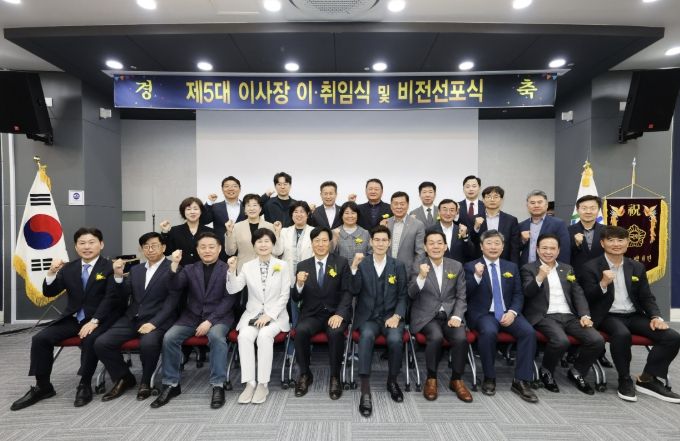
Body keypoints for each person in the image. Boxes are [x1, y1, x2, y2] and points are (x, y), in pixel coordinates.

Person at [12, 227, 118, 411]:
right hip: (73, 318)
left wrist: (94, 321)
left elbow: (111, 298)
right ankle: (43, 386)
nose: (86, 247)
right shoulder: (69, 268)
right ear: (76, 247)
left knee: (89, 338)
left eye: (91, 242)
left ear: (101, 244)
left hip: (101, 318)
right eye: (82, 243)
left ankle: (84, 384)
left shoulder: (110, 267)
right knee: (40, 339)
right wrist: (51, 273)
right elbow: (49, 292)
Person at [579, 225, 680, 403]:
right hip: (607, 315)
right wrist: (603, 283)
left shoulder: (636, 266)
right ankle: (624, 379)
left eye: (620, 240)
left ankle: (648, 378)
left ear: (627, 243)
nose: (616, 244)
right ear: (602, 243)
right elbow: (587, 298)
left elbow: (646, 297)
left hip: (633, 315)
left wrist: (656, 317)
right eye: (611, 240)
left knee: (671, 337)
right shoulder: (591, 267)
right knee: (622, 334)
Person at [150, 232, 236, 409]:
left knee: (217, 338)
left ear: (219, 249)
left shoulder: (227, 269)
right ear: (197, 250)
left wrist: (210, 321)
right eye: (203, 247)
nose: (207, 250)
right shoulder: (189, 269)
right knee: (169, 337)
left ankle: (218, 385)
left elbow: (229, 299)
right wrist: (174, 264)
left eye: (211, 247)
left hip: (219, 317)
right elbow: (173, 286)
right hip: (191, 316)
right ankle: (171, 384)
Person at [95, 232, 179, 402]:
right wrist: (118, 276)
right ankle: (124, 377)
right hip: (132, 318)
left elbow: (172, 302)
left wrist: (154, 323)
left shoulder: (173, 268)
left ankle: (146, 381)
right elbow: (123, 295)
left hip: (158, 319)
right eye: (146, 246)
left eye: (154, 245)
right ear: (141, 250)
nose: (150, 249)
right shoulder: (136, 269)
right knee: (101, 343)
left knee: (148, 344)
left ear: (163, 247)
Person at [520, 234, 604, 395]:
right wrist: (540, 277)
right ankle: (546, 371)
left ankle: (577, 372)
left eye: (552, 248)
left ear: (558, 251)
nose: (548, 252)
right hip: (545, 316)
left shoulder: (567, 268)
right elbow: (527, 292)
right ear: (537, 249)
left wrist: (585, 315)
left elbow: (578, 293)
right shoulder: (528, 268)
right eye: (544, 248)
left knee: (597, 340)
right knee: (561, 341)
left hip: (570, 316)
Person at [464, 230, 538, 403]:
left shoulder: (511, 267)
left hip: (508, 312)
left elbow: (518, 294)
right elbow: (464, 294)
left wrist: (512, 312)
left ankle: (521, 380)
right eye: (489, 243)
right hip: (484, 314)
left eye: (497, 243)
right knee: (489, 332)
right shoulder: (470, 266)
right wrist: (477, 276)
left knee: (528, 332)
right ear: (481, 246)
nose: (493, 247)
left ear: (503, 247)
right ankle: (489, 377)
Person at [227, 229, 291, 405]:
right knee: (244, 336)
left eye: (267, 241)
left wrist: (269, 315)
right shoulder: (247, 266)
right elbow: (233, 289)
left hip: (276, 316)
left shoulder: (282, 265)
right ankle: (250, 383)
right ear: (254, 245)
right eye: (259, 242)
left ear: (273, 244)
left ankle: (263, 384)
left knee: (264, 336)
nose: (263, 245)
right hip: (252, 314)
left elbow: (285, 295)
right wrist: (231, 271)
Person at [350, 225, 408, 417]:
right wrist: (354, 268)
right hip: (369, 317)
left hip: (391, 316)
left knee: (395, 340)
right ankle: (365, 389)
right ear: (371, 242)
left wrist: (397, 316)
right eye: (377, 240)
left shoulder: (398, 265)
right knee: (366, 336)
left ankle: (392, 381)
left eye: (384, 240)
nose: (380, 243)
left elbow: (403, 295)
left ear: (389, 243)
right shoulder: (363, 264)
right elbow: (354, 290)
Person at [408, 231, 472, 402]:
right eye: (431, 243)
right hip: (426, 316)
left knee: (461, 338)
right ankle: (431, 378)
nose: (435, 246)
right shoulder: (418, 265)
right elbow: (411, 294)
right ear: (425, 247)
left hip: (451, 315)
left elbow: (461, 295)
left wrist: (457, 316)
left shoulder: (456, 266)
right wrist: (421, 277)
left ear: (445, 246)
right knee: (435, 337)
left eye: (439, 243)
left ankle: (456, 379)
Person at [291, 226, 352, 400]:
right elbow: (296, 297)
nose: (320, 244)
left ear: (330, 243)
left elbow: (347, 292)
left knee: (336, 332)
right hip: (312, 314)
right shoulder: (303, 265)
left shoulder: (341, 262)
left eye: (324, 240)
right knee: (300, 331)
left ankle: (335, 376)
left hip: (334, 313)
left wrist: (340, 314)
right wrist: (299, 284)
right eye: (316, 241)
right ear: (311, 243)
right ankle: (305, 374)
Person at [277, 201, 314, 327]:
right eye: (295, 212)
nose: (299, 214)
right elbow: (277, 252)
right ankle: (292, 334)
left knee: (306, 310)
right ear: (291, 215)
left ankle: (303, 333)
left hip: (308, 277)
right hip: (287, 277)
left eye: (302, 212)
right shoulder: (284, 231)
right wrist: (277, 233)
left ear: (307, 214)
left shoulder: (314, 231)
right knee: (289, 310)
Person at [225, 193, 281, 273]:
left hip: (266, 269)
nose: (252, 208)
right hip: (244, 269)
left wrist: (278, 233)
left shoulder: (270, 226)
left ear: (260, 208)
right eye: (248, 205)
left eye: (255, 205)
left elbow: (276, 251)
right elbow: (230, 252)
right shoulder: (237, 227)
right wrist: (229, 232)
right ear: (244, 209)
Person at [470, 186, 520, 264]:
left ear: (501, 200)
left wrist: (514, 266)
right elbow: (470, 243)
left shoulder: (511, 220)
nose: (492, 199)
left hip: (504, 262)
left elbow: (515, 247)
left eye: (496, 197)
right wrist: (476, 228)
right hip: (480, 263)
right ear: (483, 200)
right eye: (488, 197)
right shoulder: (474, 219)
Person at [519, 190, 570, 266]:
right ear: (527, 206)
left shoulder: (559, 224)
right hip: (526, 269)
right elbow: (515, 249)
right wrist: (522, 240)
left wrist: (561, 269)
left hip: (550, 268)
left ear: (546, 205)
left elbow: (564, 250)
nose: (536, 205)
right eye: (532, 203)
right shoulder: (521, 225)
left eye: (540, 202)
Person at [202, 176, 246, 261]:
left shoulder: (247, 207)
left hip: (243, 249)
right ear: (222, 190)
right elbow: (204, 220)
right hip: (221, 250)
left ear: (240, 189)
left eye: (234, 186)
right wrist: (209, 203)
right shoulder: (215, 207)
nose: (230, 188)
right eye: (227, 186)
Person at [160, 196, 214, 266]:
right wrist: (165, 233)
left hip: (205, 270)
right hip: (181, 270)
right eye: (188, 209)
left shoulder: (210, 232)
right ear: (183, 212)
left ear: (201, 211)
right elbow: (166, 252)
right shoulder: (175, 230)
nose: (192, 212)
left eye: (195, 209)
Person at [385, 191, 425, 278]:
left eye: (402, 204)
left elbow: (420, 252)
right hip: (386, 271)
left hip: (408, 272)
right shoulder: (385, 223)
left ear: (408, 205)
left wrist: (414, 272)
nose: (399, 207)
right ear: (391, 206)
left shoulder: (418, 225)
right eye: (396, 204)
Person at [426, 199, 475, 263]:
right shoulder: (430, 230)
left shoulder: (462, 229)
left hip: (458, 267)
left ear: (456, 212)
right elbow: (426, 252)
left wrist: (465, 237)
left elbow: (471, 253)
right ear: (439, 211)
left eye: (452, 210)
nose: (448, 213)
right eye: (445, 210)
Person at [568, 195, 605, 278]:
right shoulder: (567, 231)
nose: (588, 212)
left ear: (599, 210)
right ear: (577, 210)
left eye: (592, 208)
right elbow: (563, 254)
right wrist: (576, 244)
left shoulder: (607, 231)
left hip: (602, 277)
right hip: (576, 278)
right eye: (584, 208)